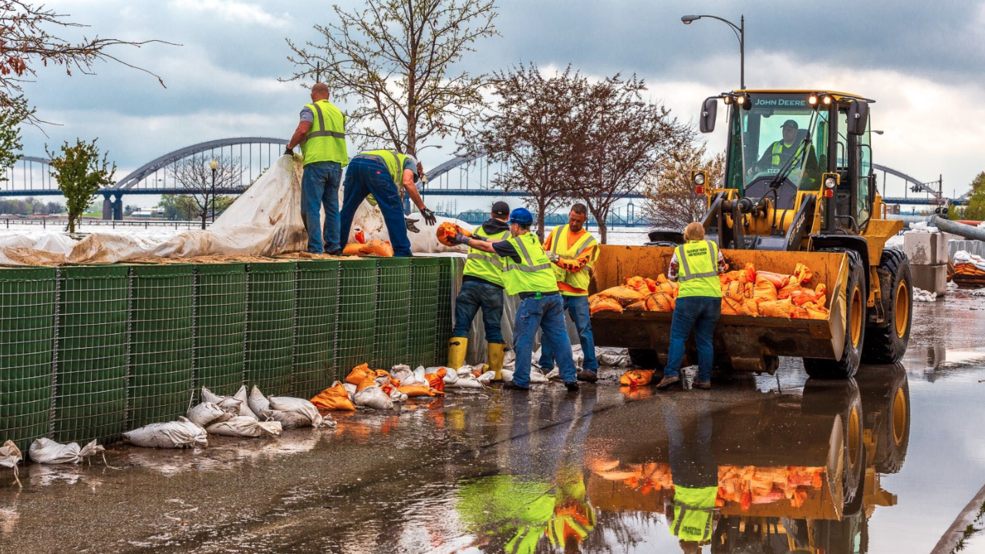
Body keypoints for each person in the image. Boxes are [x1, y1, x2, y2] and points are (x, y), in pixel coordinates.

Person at [452, 208, 579, 391]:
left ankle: (520, 380)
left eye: (512, 224)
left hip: (534, 298)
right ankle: (570, 378)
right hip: (553, 295)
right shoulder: (533, 239)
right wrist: (478, 237)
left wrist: (463, 240)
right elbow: (496, 242)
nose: (510, 226)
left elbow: (489, 248)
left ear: (517, 225)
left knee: (523, 340)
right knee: (560, 338)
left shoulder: (516, 245)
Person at [655, 222, 726, 390]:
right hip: (712, 299)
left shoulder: (680, 251)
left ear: (686, 235)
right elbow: (722, 267)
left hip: (688, 300)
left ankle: (671, 374)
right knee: (705, 340)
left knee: (678, 337)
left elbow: (671, 276)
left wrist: (682, 276)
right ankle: (704, 379)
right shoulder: (712, 247)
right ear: (703, 234)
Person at [447, 201, 512, 379]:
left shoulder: (477, 231)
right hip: (493, 287)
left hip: (470, 283)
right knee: (493, 329)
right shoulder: (508, 236)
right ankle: (496, 373)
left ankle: (454, 371)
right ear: (507, 217)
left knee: (461, 326)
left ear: (491, 214)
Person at [540, 203, 600, 383]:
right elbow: (543, 251)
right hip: (555, 288)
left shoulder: (590, 242)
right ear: (569, 215)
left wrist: (556, 258)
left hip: (577, 291)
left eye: (578, 221)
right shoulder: (557, 232)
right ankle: (546, 366)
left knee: (584, 330)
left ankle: (590, 369)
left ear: (585, 220)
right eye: (572, 219)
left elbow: (578, 265)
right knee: (549, 329)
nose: (574, 223)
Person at [285, 83, 348, 254]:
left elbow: (302, 130)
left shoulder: (310, 109)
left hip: (316, 162)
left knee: (311, 207)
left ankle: (315, 248)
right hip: (336, 164)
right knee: (332, 208)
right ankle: (334, 247)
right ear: (328, 95)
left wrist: (290, 147)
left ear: (312, 95)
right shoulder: (339, 113)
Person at [339, 150, 437, 257]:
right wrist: (423, 208)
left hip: (354, 164)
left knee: (347, 210)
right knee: (394, 210)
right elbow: (407, 182)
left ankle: (336, 246)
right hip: (376, 167)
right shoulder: (409, 161)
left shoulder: (391, 159)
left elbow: (376, 200)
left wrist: (401, 219)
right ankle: (402, 251)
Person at [749, 119, 819, 189]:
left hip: (796, 185)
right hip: (773, 182)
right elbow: (762, 163)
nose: (785, 132)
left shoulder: (806, 147)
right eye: (784, 130)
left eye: (789, 130)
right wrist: (755, 168)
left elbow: (813, 170)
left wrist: (803, 175)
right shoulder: (775, 146)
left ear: (796, 131)